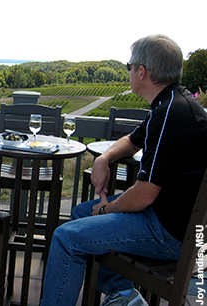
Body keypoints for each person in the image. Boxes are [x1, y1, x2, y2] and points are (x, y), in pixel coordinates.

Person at [41, 34, 207, 306]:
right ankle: (123, 294)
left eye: (129, 66)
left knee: (66, 237)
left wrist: (107, 209)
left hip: (170, 234)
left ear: (142, 72)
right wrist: (104, 158)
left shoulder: (173, 115)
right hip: (170, 219)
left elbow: (144, 195)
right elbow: (131, 141)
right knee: (82, 212)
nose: (128, 71)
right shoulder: (172, 104)